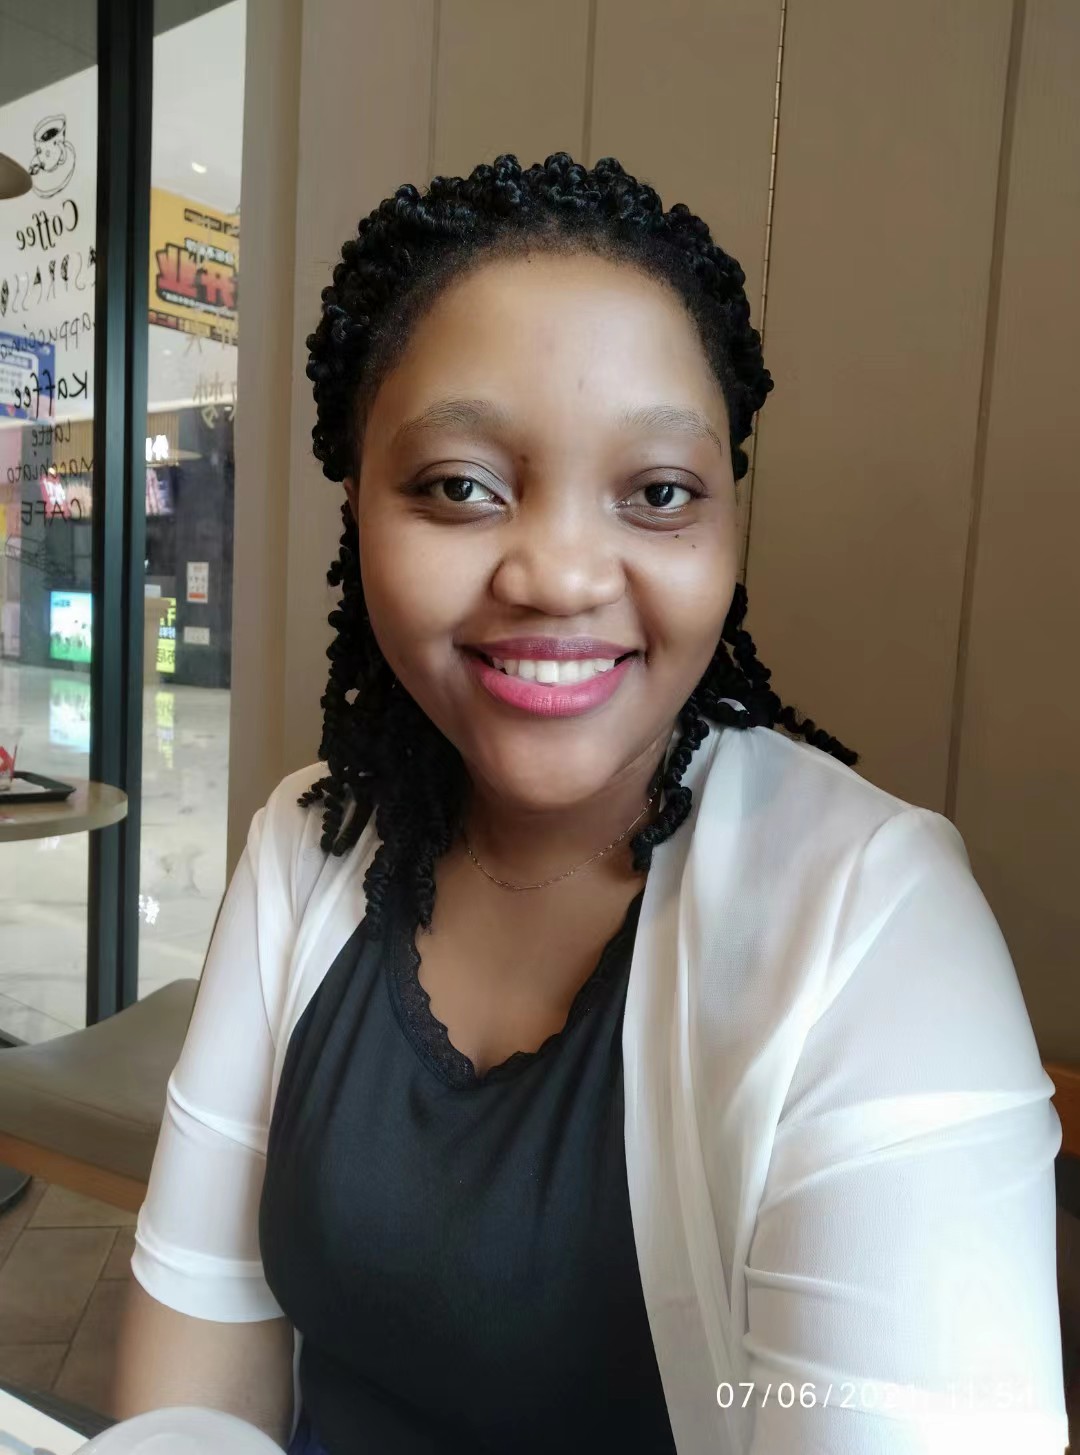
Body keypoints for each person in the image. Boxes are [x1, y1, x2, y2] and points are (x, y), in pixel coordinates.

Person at [113, 153, 1067, 1454]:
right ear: (356, 506)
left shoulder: (877, 922)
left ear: (728, 524)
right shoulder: (311, 837)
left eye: (658, 493)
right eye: (460, 484)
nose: (561, 576)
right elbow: (201, 1344)